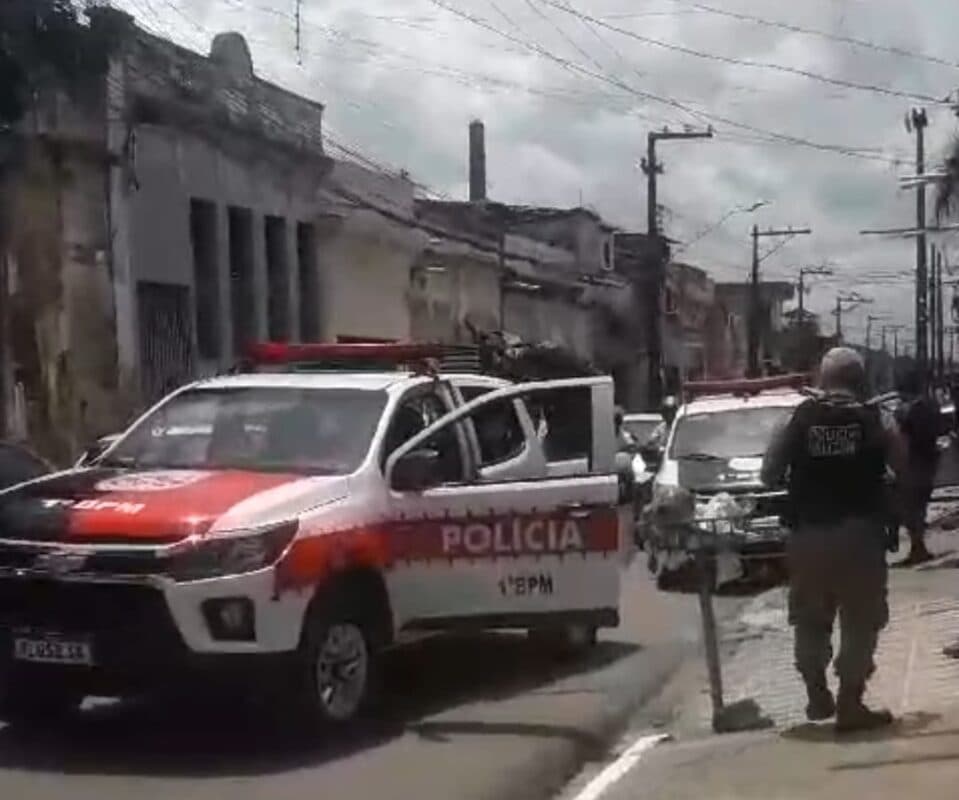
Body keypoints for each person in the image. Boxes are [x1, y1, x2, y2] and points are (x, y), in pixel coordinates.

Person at [761, 347, 907, 733]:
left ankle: (815, 691)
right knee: (861, 620)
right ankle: (850, 702)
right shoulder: (874, 418)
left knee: (809, 618)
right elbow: (902, 464)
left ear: (822, 379)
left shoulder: (799, 419)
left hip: (807, 536)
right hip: (860, 535)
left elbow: (769, 472)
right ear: (860, 381)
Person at [894, 368, 940, 565]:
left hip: (914, 465)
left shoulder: (911, 411)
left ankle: (917, 548)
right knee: (917, 509)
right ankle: (918, 548)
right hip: (927, 465)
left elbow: (905, 439)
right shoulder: (930, 407)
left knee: (911, 509)